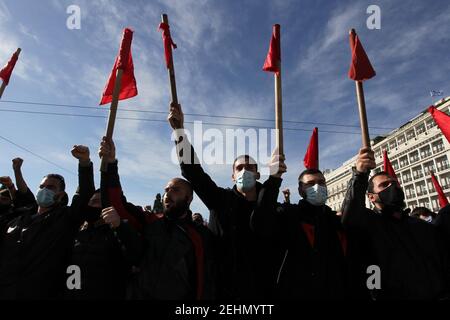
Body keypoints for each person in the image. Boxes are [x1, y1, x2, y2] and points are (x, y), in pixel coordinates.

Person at [168, 101, 279, 299]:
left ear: (259, 174)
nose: (244, 171)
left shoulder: (272, 205)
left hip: (263, 291)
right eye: (239, 168)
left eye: (250, 167)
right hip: (223, 290)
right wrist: (180, 134)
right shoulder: (220, 199)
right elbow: (193, 172)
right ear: (232, 176)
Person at [99, 136, 215, 300]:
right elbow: (116, 205)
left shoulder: (200, 235)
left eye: (175, 190)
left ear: (189, 199)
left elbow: (205, 282)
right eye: (166, 190)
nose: (167, 194)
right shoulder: (150, 221)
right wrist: (110, 164)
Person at [341, 147, 450, 299]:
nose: (392, 187)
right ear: (371, 197)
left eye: (394, 183)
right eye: (384, 185)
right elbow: (350, 213)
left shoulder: (422, 227)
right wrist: (360, 174)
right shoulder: (369, 226)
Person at [0, 145, 95, 299]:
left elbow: (84, 194)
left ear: (60, 194)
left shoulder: (65, 219)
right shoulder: (16, 220)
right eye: (41, 186)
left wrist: (84, 163)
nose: (44, 190)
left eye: (50, 187)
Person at [251, 154, 350, 299]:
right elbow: (260, 222)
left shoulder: (334, 220)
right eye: (310, 184)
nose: (317, 186)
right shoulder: (289, 215)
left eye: (321, 182)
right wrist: (274, 178)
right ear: (300, 191)